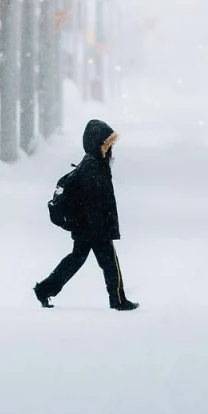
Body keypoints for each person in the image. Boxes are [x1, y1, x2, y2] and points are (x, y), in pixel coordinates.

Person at [34, 119, 139, 311]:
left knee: (76, 259)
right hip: (94, 226)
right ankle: (118, 299)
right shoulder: (94, 167)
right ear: (99, 144)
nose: (111, 149)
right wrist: (101, 227)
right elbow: (95, 200)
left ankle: (44, 289)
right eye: (108, 144)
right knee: (109, 262)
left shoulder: (93, 163)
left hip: (86, 225)